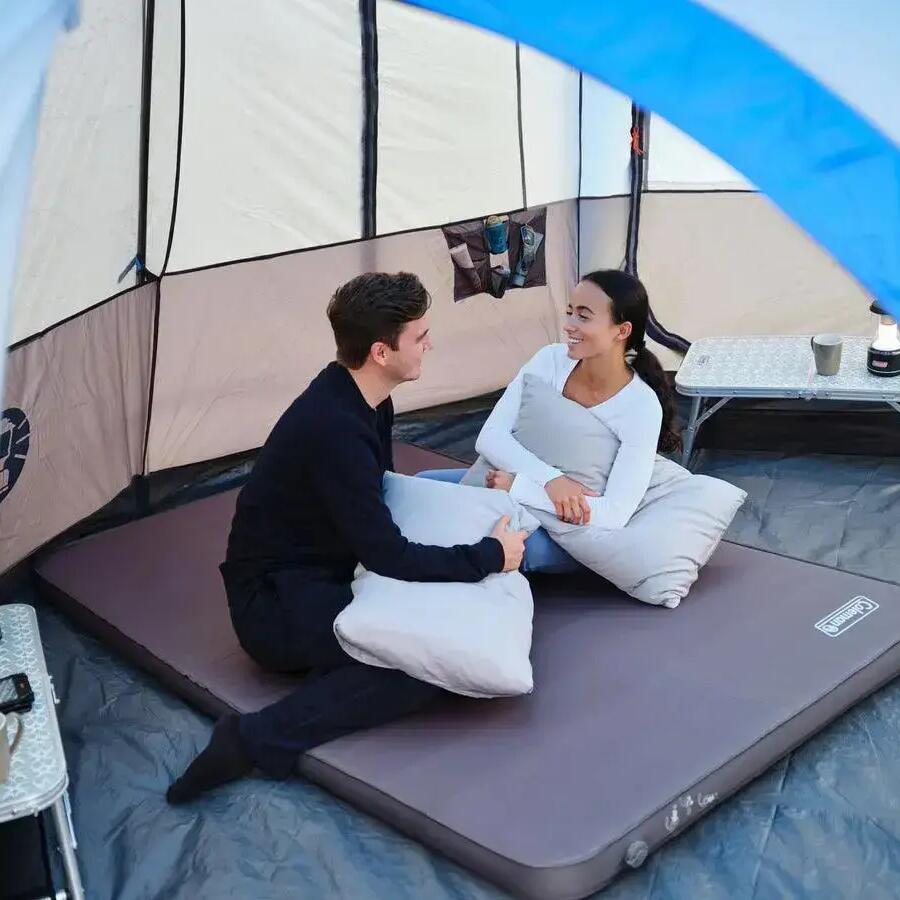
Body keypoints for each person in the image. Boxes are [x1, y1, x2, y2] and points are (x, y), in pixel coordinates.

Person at [166, 272, 527, 804]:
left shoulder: (366, 398)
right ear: (381, 351)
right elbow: (384, 554)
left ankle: (333, 673)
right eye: (420, 336)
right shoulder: (334, 427)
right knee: (426, 666)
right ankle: (249, 740)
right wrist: (488, 556)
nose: (429, 345)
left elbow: (375, 509)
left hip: (331, 568)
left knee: (436, 638)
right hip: (274, 606)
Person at [476, 269, 680, 528]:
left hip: (554, 526)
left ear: (622, 330)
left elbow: (614, 514)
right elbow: (490, 437)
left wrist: (521, 488)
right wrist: (551, 480)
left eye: (583, 316)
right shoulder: (550, 360)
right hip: (500, 490)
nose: (569, 325)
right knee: (429, 489)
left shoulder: (641, 407)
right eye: (570, 312)